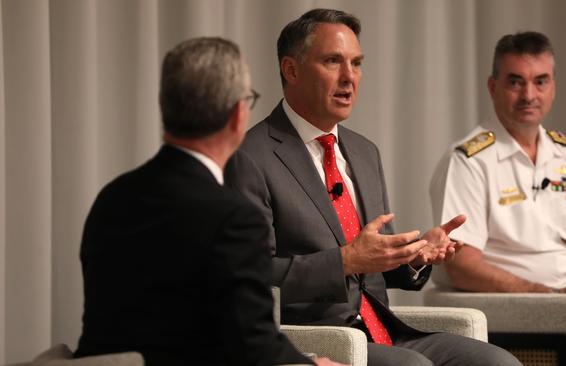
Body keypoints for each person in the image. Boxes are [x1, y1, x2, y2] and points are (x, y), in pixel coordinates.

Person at [225, 8, 521, 366]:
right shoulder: (251, 157)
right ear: (291, 70)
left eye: (357, 63)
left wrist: (414, 255)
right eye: (333, 61)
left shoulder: (364, 152)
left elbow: (377, 261)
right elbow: (249, 277)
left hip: (385, 329)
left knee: (498, 363)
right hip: (318, 338)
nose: (350, 77)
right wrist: (344, 261)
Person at [74, 37, 341, 366]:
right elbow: (254, 346)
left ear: (165, 107)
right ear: (237, 115)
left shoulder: (112, 197)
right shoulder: (233, 217)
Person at [430, 31, 566, 365]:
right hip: (531, 311)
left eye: (541, 81)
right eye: (516, 82)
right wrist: (556, 298)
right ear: (493, 87)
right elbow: (461, 265)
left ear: (554, 86)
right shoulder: (469, 160)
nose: (529, 94)